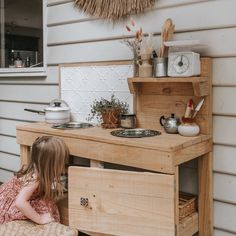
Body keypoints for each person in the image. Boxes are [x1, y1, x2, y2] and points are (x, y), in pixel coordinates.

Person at [0, 136, 69, 225]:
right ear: (50, 165)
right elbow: (20, 203)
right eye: (61, 162)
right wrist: (39, 219)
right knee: (46, 206)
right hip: (12, 204)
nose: (63, 165)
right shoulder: (35, 179)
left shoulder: (35, 168)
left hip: (12, 196)